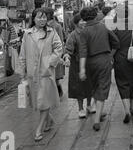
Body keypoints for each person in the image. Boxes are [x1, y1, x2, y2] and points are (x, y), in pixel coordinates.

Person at [18, 8, 63, 142]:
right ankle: (49, 121)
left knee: (42, 101)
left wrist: (49, 62)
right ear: (33, 19)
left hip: (45, 73)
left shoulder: (51, 32)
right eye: (39, 17)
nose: (42, 20)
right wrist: (22, 73)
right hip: (32, 73)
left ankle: (39, 128)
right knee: (38, 101)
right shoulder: (27, 34)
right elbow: (22, 54)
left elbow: (59, 48)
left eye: (44, 17)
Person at [79, 7, 120, 132]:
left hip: (90, 63)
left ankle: (96, 110)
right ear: (96, 15)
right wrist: (110, 55)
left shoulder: (84, 31)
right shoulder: (104, 27)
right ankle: (96, 120)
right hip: (104, 61)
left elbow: (83, 51)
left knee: (96, 86)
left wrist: (82, 69)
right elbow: (116, 42)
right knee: (102, 87)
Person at [64, 14, 93, 119]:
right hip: (76, 64)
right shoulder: (73, 35)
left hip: (89, 62)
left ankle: (89, 105)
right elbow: (68, 50)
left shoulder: (88, 32)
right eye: (81, 21)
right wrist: (67, 58)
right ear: (76, 23)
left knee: (90, 84)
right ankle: (81, 108)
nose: (84, 22)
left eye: (84, 20)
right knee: (79, 87)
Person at [46, 8, 65, 98]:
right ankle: (56, 91)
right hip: (47, 53)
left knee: (55, 74)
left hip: (54, 53)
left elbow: (60, 40)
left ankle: (58, 91)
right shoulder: (45, 26)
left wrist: (60, 54)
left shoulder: (56, 26)